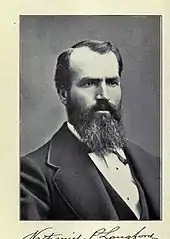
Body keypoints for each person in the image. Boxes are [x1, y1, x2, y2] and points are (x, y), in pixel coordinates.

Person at [20, 40, 160, 220]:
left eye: (111, 82)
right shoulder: (33, 174)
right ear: (64, 94)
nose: (104, 95)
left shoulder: (154, 164)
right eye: (89, 83)